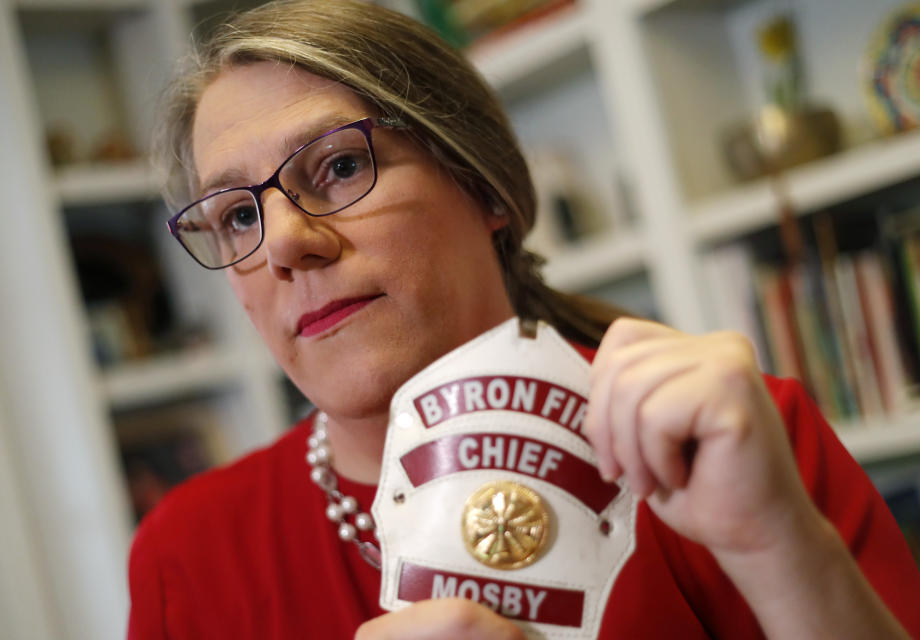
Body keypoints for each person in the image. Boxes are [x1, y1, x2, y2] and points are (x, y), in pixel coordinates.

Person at [128, 1, 920, 638]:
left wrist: (781, 547)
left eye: (338, 167)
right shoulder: (187, 554)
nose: (286, 246)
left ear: (487, 189)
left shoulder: (733, 444)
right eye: (236, 217)